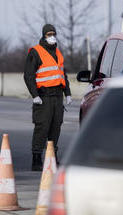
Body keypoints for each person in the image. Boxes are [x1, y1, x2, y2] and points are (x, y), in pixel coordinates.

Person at [24, 24, 72, 171]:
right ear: (44, 35)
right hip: (43, 97)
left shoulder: (58, 53)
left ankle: (52, 158)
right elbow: (28, 75)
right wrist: (35, 95)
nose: (52, 37)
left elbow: (62, 75)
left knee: (55, 127)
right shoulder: (35, 52)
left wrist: (68, 93)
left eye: (54, 34)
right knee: (42, 127)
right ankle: (36, 159)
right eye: (49, 34)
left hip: (57, 97)